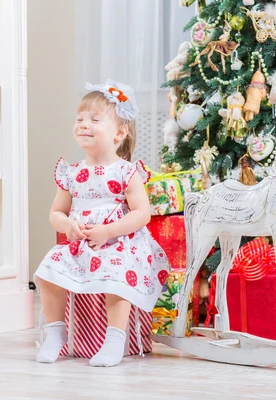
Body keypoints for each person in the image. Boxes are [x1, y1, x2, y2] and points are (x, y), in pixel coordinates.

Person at [34, 79, 170, 367]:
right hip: (81, 244)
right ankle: (55, 333)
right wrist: (67, 225)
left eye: (94, 119)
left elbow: (142, 213)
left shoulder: (126, 171)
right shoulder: (70, 173)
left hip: (119, 243)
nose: (83, 124)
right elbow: (56, 213)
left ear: (119, 132)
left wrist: (109, 230)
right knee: (47, 272)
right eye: (79, 119)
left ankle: (115, 338)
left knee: (115, 273)